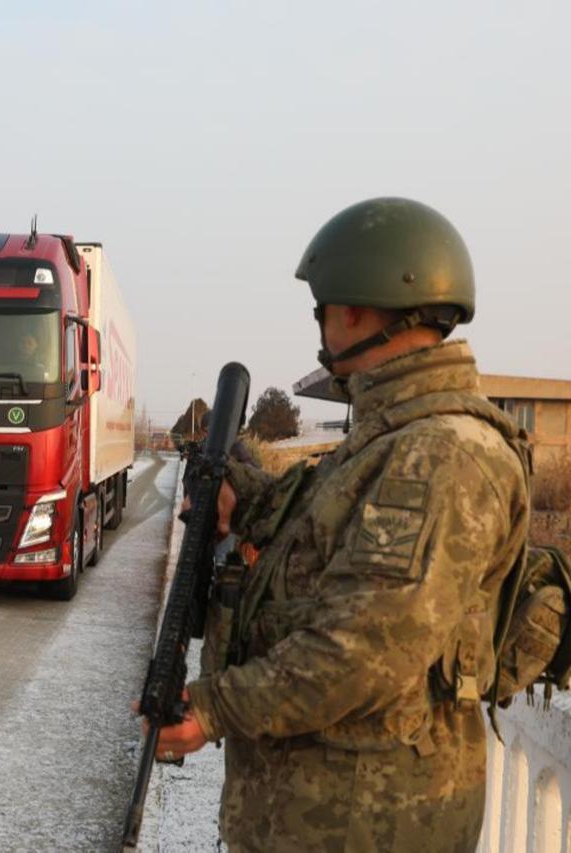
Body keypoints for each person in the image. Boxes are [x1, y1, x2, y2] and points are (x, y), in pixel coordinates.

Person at [144, 198, 530, 851]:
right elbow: (326, 533)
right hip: (320, 814)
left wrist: (210, 709)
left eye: (323, 308)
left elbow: (362, 651)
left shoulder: (440, 454)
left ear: (352, 309)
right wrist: (246, 495)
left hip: (366, 824)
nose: (321, 325)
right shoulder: (391, 438)